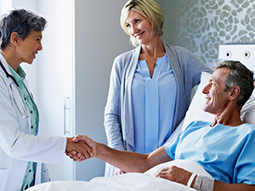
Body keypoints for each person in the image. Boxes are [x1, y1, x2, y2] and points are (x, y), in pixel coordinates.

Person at [71, 60, 255, 190]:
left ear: (233, 93)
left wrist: (194, 181)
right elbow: (146, 162)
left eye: (212, 84)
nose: (204, 90)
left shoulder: (247, 135)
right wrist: (97, 149)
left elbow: (250, 189)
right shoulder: (193, 128)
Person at [104, 0, 212, 176]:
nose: (133, 30)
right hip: (127, 162)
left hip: (167, 159)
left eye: (137, 21)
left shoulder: (182, 58)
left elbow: (215, 82)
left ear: (153, 17)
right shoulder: (122, 63)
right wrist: (118, 158)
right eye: (128, 25)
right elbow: (111, 115)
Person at [0, 9, 93, 191]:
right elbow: (14, 144)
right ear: (15, 39)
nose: (40, 47)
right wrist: (65, 144)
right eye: (37, 39)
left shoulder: (18, 79)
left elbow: (30, 135)